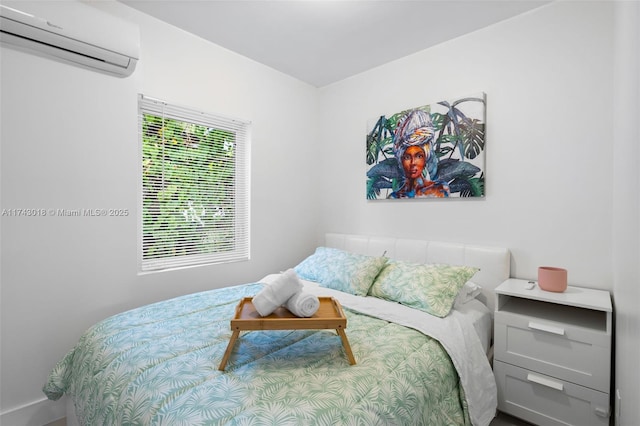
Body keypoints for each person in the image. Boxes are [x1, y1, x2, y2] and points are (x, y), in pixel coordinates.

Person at [388, 109, 449, 198]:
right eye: (407, 157)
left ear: (425, 158)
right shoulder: (394, 197)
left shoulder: (440, 189)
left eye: (419, 156)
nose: (413, 163)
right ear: (401, 160)